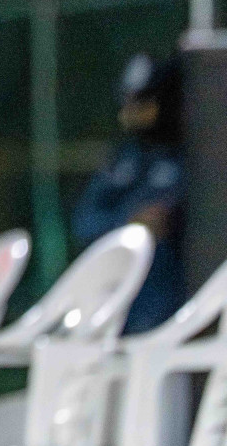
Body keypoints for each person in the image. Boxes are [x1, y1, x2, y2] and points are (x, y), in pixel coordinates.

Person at [72, 51, 186, 333]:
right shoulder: (124, 159)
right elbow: (84, 222)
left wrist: (170, 221)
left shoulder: (195, 160)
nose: (133, 113)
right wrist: (130, 223)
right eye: (129, 103)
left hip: (171, 311)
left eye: (143, 103)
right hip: (115, 308)